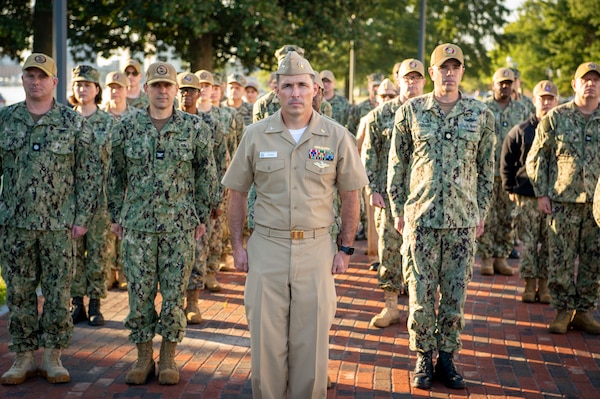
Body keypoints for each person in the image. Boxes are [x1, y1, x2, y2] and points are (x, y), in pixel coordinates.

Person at [223, 50, 368, 398]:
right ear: (276, 90)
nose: (295, 93)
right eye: (288, 86)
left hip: (317, 249)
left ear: (316, 88)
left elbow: (351, 195)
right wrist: (238, 247)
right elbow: (237, 193)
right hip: (267, 249)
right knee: (266, 347)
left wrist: (345, 248)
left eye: (303, 85)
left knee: (312, 347)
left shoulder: (335, 136)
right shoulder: (256, 135)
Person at [387, 43, 495, 390]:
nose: (449, 73)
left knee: (454, 295)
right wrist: (398, 209)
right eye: (442, 68)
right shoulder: (411, 112)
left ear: (462, 72)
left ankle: (447, 357)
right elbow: (397, 165)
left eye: (455, 67)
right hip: (420, 219)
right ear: (431, 72)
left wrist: (481, 211)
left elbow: (486, 169)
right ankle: (422, 357)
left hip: (462, 222)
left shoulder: (481, 115)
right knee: (420, 293)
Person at [108, 62, 218, 385]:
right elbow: (114, 174)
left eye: (168, 86)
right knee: (139, 295)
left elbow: (206, 174)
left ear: (176, 89)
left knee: (173, 296)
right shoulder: (128, 128)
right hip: (138, 227)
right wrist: (116, 215)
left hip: (179, 227)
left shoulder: (195, 129)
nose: (162, 91)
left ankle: (168, 357)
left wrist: (199, 214)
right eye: (156, 86)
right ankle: (143, 358)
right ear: (145, 90)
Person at [0, 53, 102, 385]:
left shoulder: (72, 123)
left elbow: (89, 173)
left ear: (55, 82)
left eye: (43, 76)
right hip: (15, 224)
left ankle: (53, 355)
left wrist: (83, 216)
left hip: (59, 225)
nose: (36, 81)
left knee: (58, 293)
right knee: (18, 291)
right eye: (30, 75)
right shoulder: (6, 120)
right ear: (22, 80)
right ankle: (24, 356)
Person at [526, 61, 600, 335]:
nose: (590, 84)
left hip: (597, 205)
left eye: (595, 79)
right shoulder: (557, 117)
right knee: (561, 259)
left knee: (594, 260)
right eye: (585, 79)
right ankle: (562, 311)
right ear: (574, 84)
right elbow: (537, 157)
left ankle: (584, 312)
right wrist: (541, 193)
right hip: (562, 202)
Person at [362, 58, 426, 328]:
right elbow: (369, 156)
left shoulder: (432, 112)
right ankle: (391, 305)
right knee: (389, 250)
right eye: (406, 78)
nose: (411, 82)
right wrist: (373, 189)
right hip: (389, 198)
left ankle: (416, 307)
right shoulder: (380, 115)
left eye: (416, 78)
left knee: (421, 254)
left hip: (423, 197)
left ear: (424, 80)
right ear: (397, 79)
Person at [500, 80, 559, 304]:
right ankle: (528, 284)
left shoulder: (561, 128)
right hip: (527, 196)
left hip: (555, 196)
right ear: (534, 101)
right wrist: (509, 186)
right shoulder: (522, 130)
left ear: (556, 101)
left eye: (550, 98)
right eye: (542, 99)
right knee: (528, 243)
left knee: (549, 243)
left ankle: (544, 285)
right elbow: (507, 159)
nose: (546, 103)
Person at [68, 65, 115, 326]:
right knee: (73, 252)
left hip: (102, 201)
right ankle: (77, 304)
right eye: (78, 84)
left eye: (87, 84)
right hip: (71, 199)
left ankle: (96, 303)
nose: (82, 89)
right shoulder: (66, 120)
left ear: (97, 90)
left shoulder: (109, 123)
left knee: (99, 252)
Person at [478, 67, 529, 276]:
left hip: (511, 174)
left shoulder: (522, 109)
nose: (505, 86)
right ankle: (487, 259)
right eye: (501, 83)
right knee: (487, 217)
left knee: (508, 218)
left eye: (509, 83)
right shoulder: (482, 108)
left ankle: (501, 258)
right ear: (494, 85)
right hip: (487, 173)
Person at [102, 70, 140, 290]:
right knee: (107, 232)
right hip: (104, 184)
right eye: (111, 87)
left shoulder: (136, 118)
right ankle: (109, 272)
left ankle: (125, 271)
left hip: (129, 184)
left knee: (126, 231)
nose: (115, 91)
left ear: (127, 90)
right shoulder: (100, 117)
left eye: (119, 87)